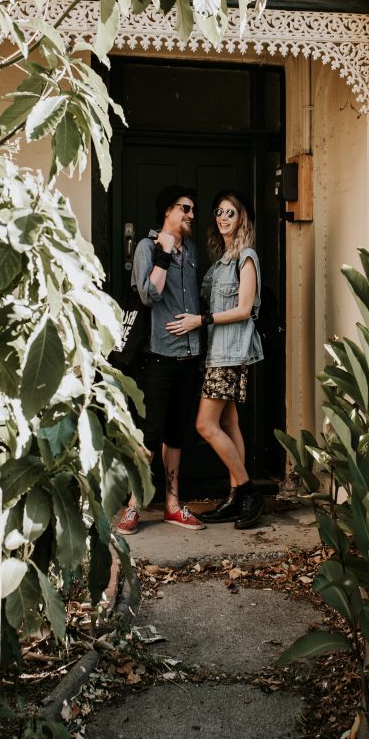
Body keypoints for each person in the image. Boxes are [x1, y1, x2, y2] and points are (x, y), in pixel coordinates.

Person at [166, 190, 264, 530]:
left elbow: (244, 309)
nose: (223, 218)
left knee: (205, 425)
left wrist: (201, 320)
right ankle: (237, 496)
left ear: (242, 220)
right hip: (215, 352)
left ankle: (249, 492)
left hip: (229, 353)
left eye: (230, 213)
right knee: (228, 424)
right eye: (219, 212)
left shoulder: (245, 258)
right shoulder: (223, 260)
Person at [116, 185, 206, 535]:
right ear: (168, 210)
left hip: (189, 354)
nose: (191, 215)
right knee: (149, 433)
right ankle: (134, 505)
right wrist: (164, 254)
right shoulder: (145, 247)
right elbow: (149, 295)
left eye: (193, 209)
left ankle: (172, 505)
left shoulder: (194, 251)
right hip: (157, 355)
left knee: (176, 434)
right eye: (186, 208)